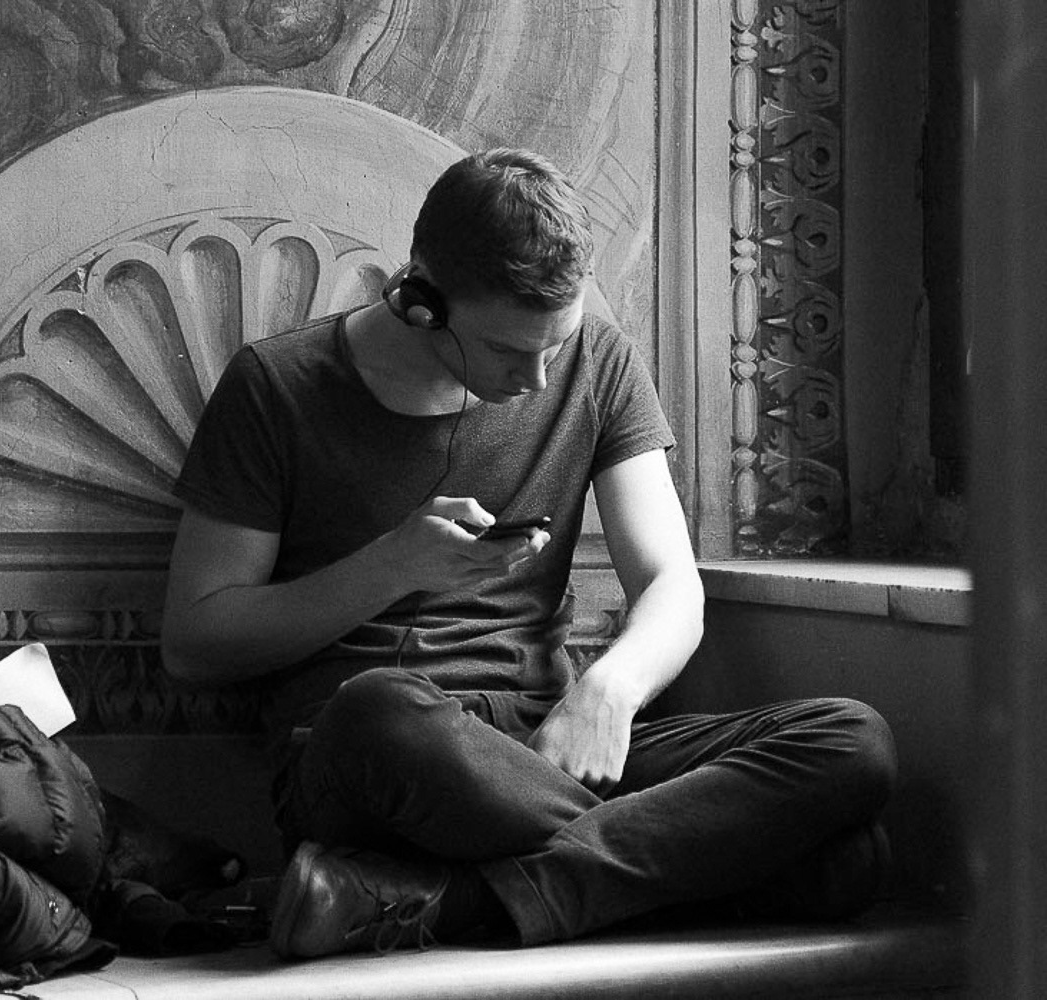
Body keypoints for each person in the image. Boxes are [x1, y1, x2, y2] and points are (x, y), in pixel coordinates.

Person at [160, 148, 897, 959]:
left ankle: (445, 900)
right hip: (382, 757)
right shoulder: (275, 385)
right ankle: (702, 863)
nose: (540, 379)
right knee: (378, 712)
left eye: (557, 344)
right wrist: (392, 565)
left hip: (548, 743)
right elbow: (197, 642)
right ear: (421, 302)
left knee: (850, 741)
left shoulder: (602, 363)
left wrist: (608, 692)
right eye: (509, 351)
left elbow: (672, 585)